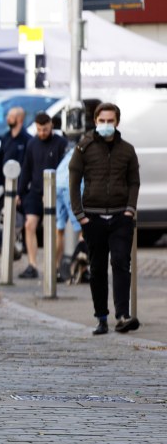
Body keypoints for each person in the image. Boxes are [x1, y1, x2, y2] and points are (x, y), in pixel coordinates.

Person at [69, 103, 140, 335]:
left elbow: (134, 181)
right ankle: (101, 317)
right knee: (97, 268)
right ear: (96, 120)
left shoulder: (127, 150)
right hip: (93, 217)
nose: (106, 125)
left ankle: (122, 315)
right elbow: (73, 178)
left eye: (111, 121)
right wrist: (80, 214)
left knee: (121, 263)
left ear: (117, 122)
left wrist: (130, 209)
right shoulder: (84, 147)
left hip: (121, 216)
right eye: (103, 120)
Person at [16, 112, 68, 279]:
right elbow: (26, 169)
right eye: (39, 129)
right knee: (30, 224)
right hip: (36, 191)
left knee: (55, 229)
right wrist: (20, 192)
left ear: (51, 125)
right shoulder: (32, 144)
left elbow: (65, 171)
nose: (42, 133)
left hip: (56, 192)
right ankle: (32, 264)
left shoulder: (61, 144)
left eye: (45, 129)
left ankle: (55, 266)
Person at [53, 145, 82, 282]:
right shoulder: (95, 148)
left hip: (56, 184)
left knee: (59, 228)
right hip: (72, 185)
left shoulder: (73, 148)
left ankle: (54, 269)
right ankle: (79, 270)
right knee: (83, 228)